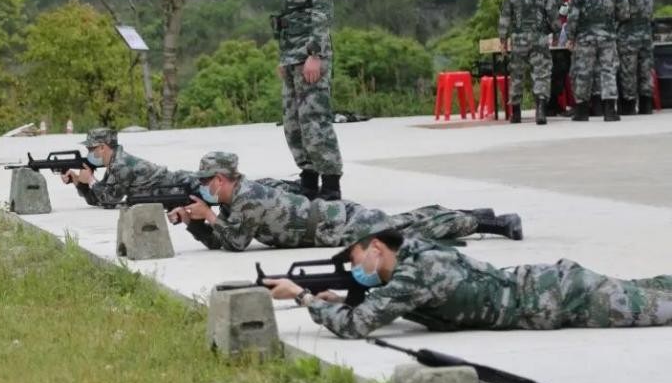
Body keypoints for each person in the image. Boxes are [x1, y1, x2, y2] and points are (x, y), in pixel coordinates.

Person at [262, 214, 672, 338]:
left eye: (354, 257)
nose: (353, 268)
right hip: (550, 287)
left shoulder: (411, 274)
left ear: (376, 248)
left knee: (662, 308)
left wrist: (303, 297)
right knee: (654, 289)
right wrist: (331, 300)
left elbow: (356, 327)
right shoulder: (415, 255)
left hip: (561, 297)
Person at [168, 152, 522, 252]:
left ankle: (493, 223)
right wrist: (195, 221)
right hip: (329, 224)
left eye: (205, 182)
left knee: (411, 226)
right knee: (408, 221)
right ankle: (476, 215)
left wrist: (208, 217)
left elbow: (234, 242)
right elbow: (219, 241)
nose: (203, 188)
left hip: (337, 223)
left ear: (220, 180)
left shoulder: (248, 199)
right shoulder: (233, 201)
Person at [268, 0, 342, 200]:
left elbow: (321, 9)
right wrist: (284, 56)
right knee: (294, 122)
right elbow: (291, 11)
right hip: (292, 51)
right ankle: (308, 178)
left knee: (315, 120)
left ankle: (331, 184)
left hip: (311, 52)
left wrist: (315, 54)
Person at [566, 0, 630, 122]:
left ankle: (582, 110)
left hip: (585, 37)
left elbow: (572, 17)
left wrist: (571, 37)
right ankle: (610, 109)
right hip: (608, 35)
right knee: (608, 70)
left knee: (583, 71)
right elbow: (624, 14)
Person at [61, 128, 198, 208]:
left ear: (103, 147)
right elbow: (97, 199)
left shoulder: (121, 165)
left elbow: (111, 200)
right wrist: (79, 182)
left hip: (181, 185)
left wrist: (91, 180)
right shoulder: (113, 164)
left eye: (91, 148)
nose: (89, 153)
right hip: (171, 191)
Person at [498, 0, 560, 124]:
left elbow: (505, 17)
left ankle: (515, 112)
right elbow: (553, 16)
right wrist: (555, 34)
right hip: (539, 37)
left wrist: (503, 39)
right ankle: (540, 110)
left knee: (516, 73)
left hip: (518, 38)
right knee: (541, 73)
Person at [613, 0, 657, 115]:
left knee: (628, 71)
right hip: (646, 35)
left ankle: (629, 106)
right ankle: (646, 106)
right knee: (646, 70)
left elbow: (622, 15)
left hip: (628, 37)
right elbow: (650, 13)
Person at [547, 0, 578, 116]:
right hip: (557, 36)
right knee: (559, 71)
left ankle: (575, 104)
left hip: (572, 35)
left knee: (571, 70)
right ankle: (557, 104)